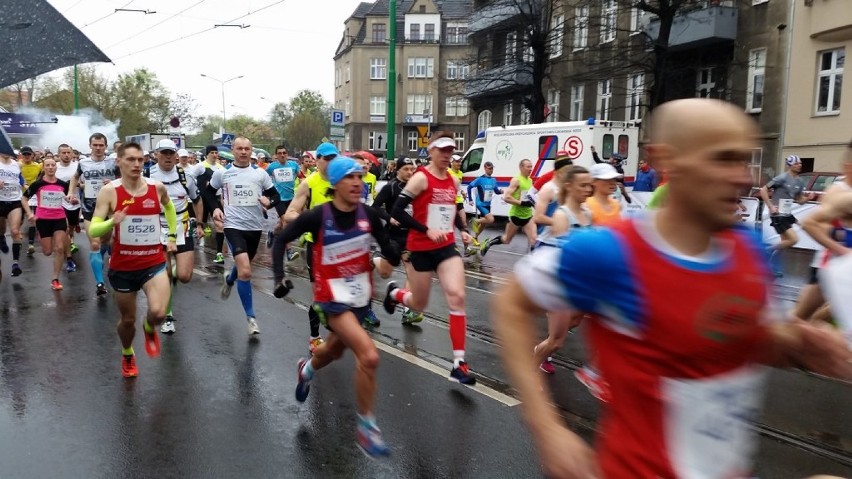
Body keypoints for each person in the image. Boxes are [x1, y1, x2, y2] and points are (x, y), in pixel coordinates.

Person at [491, 98, 852, 479]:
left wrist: (797, 347)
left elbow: (738, 339)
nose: (744, 177)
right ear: (668, 161)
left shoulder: (747, 249)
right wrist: (546, 427)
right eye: (723, 159)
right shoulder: (611, 252)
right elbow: (510, 305)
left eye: (743, 160)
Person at [272, 157, 398, 457]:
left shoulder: (368, 215)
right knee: (368, 356)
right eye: (350, 177)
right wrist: (279, 277)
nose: (358, 182)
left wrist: (394, 254)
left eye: (360, 177)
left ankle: (307, 369)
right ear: (335, 184)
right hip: (332, 299)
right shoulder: (317, 216)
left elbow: (388, 250)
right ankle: (367, 427)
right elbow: (280, 242)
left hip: (360, 298)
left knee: (334, 350)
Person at [384, 131, 476, 384]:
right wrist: (426, 229)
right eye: (443, 150)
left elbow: (455, 210)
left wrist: (464, 231)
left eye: (451, 151)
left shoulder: (454, 181)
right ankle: (394, 294)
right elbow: (396, 211)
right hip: (420, 247)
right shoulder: (420, 179)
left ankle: (459, 363)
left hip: (446, 247)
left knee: (457, 296)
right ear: (431, 151)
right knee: (419, 304)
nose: (448, 155)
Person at [88, 142, 178, 378]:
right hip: (123, 266)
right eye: (130, 159)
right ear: (118, 161)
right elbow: (94, 231)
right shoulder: (110, 192)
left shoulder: (156, 187)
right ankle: (128, 351)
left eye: (140, 159)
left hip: (153, 262)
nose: (137, 164)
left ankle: (149, 327)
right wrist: (111, 222)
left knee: (158, 313)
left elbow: (170, 208)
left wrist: (171, 235)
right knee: (127, 321)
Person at [202, 137, 281, 337]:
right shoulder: (223, 173)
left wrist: (268, 202)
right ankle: (251, 318)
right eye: (240, 148)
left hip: (254, 228)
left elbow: (276, 196)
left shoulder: (260, 174)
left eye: (247, 149)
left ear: (251, 151)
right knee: (246, 271)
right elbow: (208, 193)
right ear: (233, 150)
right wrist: (216, 210)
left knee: (244, 265)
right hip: (232, 226)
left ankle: (230, 279)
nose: (243, 152)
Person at [531, 166, 592, 374]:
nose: (587, 189)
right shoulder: (562, 215)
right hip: (561, 284)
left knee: (575, 320)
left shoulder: (587, 213)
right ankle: (533, 365)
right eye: (583, 185)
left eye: (589, 185)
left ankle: (543, 348)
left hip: (578, 282)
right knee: (556, 342)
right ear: (570, 187)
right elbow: (564, 256)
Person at [282, 142, 339, 353]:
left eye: (334, 158)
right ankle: (314, 337)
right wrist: (310, 221)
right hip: (318, 246)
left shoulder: (342, 180)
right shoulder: (309, 183)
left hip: (341, 246)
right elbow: (290, 213)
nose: (331, 163)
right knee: (319, 294)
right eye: (327, 159)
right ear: (318, 161)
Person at [146, 140, 204, 334]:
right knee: (165, 275)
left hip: (182, 224)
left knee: (185, 276)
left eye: (172, 153)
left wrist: (201, 223)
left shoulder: (186, 176)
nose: (169, 156)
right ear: (156, 154)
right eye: (165, 153)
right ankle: (168, 316)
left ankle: (173, 273)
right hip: (157, 226)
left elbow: (197, 200)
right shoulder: (147, 175)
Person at [373, 157, 423, 324]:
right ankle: (376, 258)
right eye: (406, 169)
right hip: (393, 236)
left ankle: (407, 310)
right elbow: (375, 207)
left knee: (413, 272)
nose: (410, 172)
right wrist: (390, 218)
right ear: (398, 170)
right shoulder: (391, 188)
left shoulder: (416, 187)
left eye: (412, 169)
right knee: (385, 273)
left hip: (410, 236)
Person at [68, 133, 118, 296]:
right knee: (95, 243)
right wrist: (71, 192)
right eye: (95, 145)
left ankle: (105, 256)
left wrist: (113, 183)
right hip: (90, 207)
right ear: (90, 146)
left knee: (108, 241)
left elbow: (125, 179)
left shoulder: (113, 161)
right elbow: (75, 178)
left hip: (110, 207)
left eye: (101, 145)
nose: (98, 148)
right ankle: (100, 282)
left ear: (106, 146)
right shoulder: (83, 162)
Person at [760, 155, 815, 277]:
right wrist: (770, 206)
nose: (799, 165)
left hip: (786, 213)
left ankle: (770, 267)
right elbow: (763, 190)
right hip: (777, 214)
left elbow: (799, 200)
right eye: (796, 163)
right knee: (793, 239)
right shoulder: (782, 178)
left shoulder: (800, 181)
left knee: (784, 243)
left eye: (800, 163)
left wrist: (807, 198)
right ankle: (765, 251)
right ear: (790, 165)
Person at [21, 157, 70, 290]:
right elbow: (24, 198)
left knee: (59, 248)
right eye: (47, 165)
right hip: (43, 219)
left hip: (59, 218)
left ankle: (55, 279)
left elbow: (69, 198)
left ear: (56, 167)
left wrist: (73, 200)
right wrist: (29, 213)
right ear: (43, 168)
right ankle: (42, 237)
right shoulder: (37, 184)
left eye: (53, 165)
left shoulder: (62, 184)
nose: (50, 167)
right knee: (47, 252)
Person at [480, 159, 537, 256]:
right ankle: (488, 243)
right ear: (521, 167)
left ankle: (533, 263)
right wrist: (521, 203)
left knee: (534, 239)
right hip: (515, 216)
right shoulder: (516, 180)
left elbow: (530, 197)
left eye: (531, 166)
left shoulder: (530, 181)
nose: (530, 169)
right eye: (528, 167)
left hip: (528, 216)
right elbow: (506, 197)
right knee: (506, 240)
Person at [264, 145, 300, 259]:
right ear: (276, 155)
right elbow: (263, 178)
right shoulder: (272, 167)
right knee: (286, 222)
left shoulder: (294, 165)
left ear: (287, 154)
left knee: (280, 225)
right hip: (278, 199)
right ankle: (289, 251)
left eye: (284, 153)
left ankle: (272, 234)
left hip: (291, 198)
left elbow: (301, 177)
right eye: (279, 153)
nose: (282, 155)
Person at [532, 152, 573, 250]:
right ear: (559, 172)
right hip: (547, 242)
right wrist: (560, 222)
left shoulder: (567, 187)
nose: (570, 174)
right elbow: (538, 217)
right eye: (568, 171)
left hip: (563, 241)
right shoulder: (548, 189)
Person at [194, 145, 227, 263]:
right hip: (202, 200)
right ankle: (191, 247)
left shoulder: (221, 168)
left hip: (214, 200)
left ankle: (219, 254)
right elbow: (191, 179)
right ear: (207, 154)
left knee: (220, 225)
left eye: (215, 152)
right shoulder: (200, 166)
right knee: (199, 225)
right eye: (212, 152)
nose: (214, 154)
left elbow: (224, 186)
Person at [55, 144, 81, 272]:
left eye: (68, 153)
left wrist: (80, 185)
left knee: (70, 228)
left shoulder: (77, 166)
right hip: (59, 203)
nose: (66, 155)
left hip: (75, 203)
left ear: (72, 154)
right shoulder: (55, 167)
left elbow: (85, 183)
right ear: (59, 154)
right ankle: (69, 259)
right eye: (63, 153)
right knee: (65, 230)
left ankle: (70, 240)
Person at [0, 151, 25, 279]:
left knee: (15, 231)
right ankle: (1, 238)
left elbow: (20, 178)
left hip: (15, 200)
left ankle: (15, 264)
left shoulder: (17, 164)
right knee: (1, 230)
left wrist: (24, 184)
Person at [466, 161, 501, 248]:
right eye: (489, 168)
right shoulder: (480, 179)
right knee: (491, 219)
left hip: (488, 204)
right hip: (480, 204)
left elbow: (496, 191)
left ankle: (475, 237)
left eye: (492, 168)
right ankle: (474, 221)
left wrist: (501, 192)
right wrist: (470, 199)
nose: (491, 170)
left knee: (483, 224)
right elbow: (469, 187)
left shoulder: (493, 180)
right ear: (485, 168)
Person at [19, 146, 43, 256]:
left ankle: (31, 244)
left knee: (32, 218)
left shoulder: (38, 166)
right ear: (21, 155)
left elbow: (43, 175)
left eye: (29, 154)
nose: (27, 156)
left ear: (32, 155)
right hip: (19, 195)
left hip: (33, 195)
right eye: (25, 154)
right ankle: (17, 238)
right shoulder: (17, 165)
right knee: (19, 220)